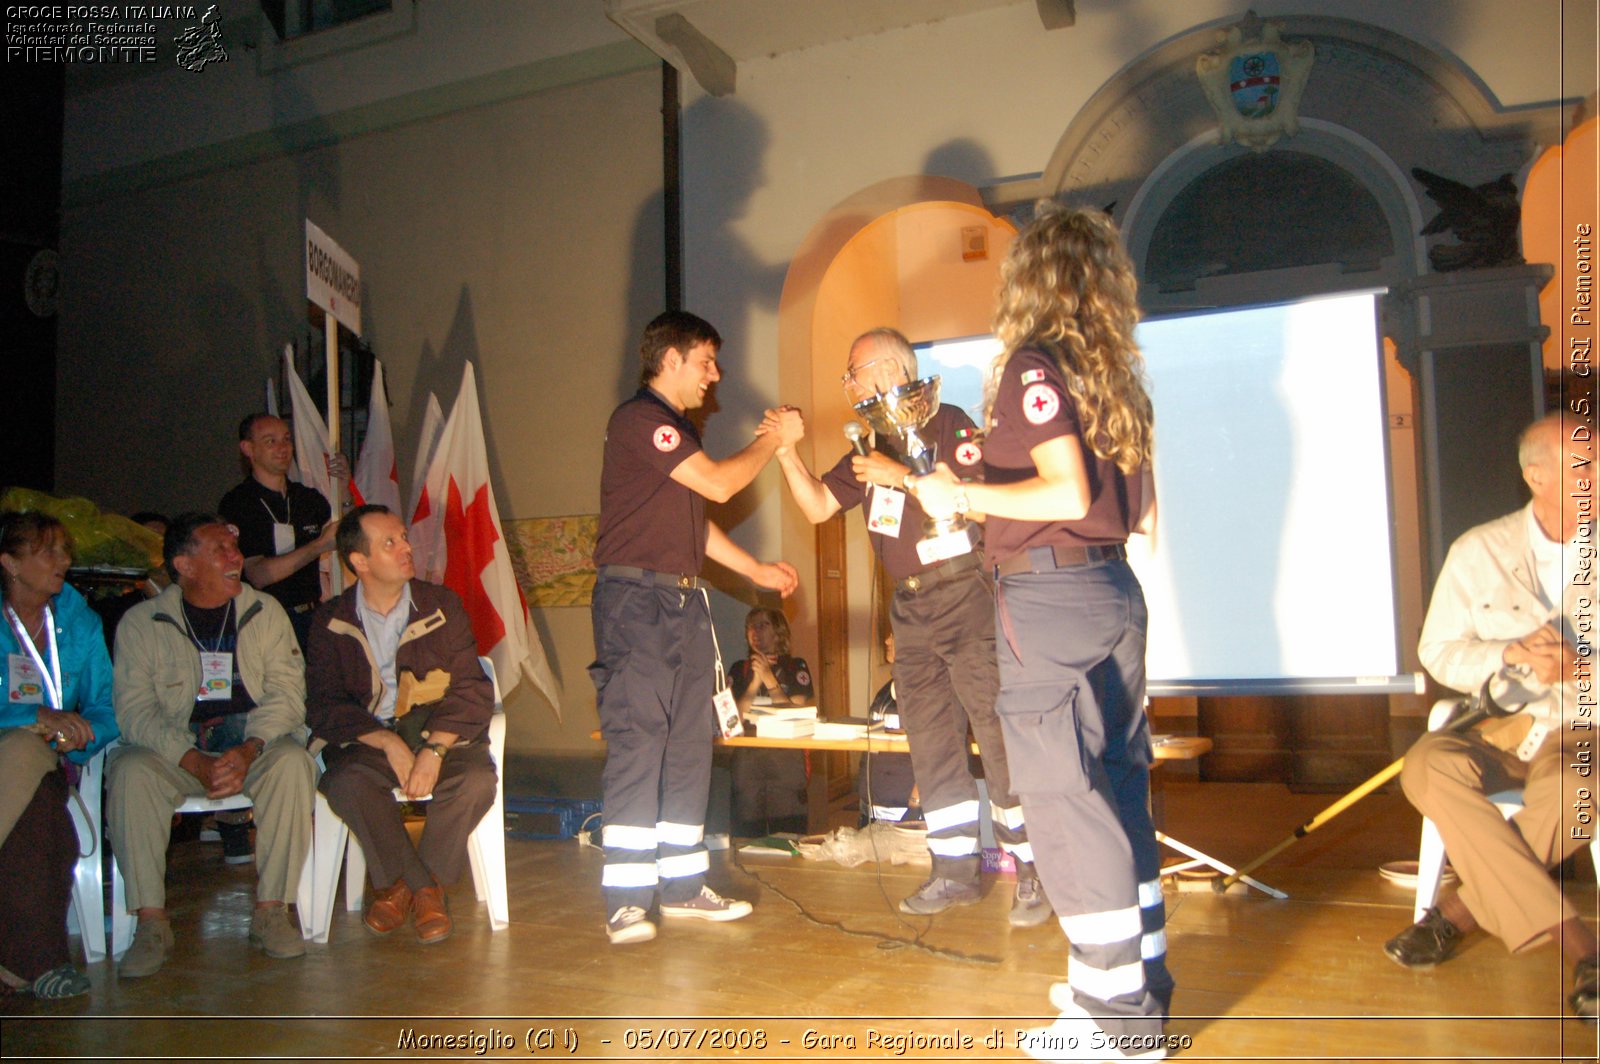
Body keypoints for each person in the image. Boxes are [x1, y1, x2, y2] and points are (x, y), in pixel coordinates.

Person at [911, 203, 1171, 1059]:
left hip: (1049, 604)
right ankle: (1136, 990)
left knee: (1064, 803)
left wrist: (964, 498)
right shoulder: (1113, 378)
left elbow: (1062, 496)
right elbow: (1143, 514)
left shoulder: (1036, 363)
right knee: (1118, 791)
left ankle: (1112, 1023)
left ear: (1033, 280)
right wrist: (985, 471)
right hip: (1111, 593)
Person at [773, 327, 1048, 926]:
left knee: (996, 737)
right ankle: (953, 872)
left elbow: (980, 498)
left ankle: (1032, 870)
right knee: (930, 742)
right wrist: (785, 452)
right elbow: (819, 505)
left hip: (966, 592)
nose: (846, 383)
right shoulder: (867, 446)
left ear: (890, 371)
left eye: (853, 370)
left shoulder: (947, 423)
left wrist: (897, 475)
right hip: (912, 605)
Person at [591, 309, 799, 945]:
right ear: (670, 359)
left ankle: (681, 886)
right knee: (639, 740)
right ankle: (627, 899)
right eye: (706, 360)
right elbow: (716, 482)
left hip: (682, 605)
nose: (716, 374)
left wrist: (754, 569)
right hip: (635, 603)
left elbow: (694, 524)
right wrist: (773, 438)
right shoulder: (639, 421)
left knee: (688, 742)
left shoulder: (675, 431)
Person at [1382, 412, 1597, 1022]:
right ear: (1537, 475)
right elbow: (1438, 652)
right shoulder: (1478, 550)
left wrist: (1582, 670)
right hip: (1502, 724)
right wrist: (1508, 653)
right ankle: (1583, 946)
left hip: (1587, 726)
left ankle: (1456, 917)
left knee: (1572, 790)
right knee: (1428, 764)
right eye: (1587, 465)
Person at [109, 513, 317, 979]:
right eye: (219, 550)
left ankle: (270, 911)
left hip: (251, 745)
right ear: (183, 564)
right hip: (180, 752)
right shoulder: (142, 623)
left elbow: (288, 696)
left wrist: (250, 748)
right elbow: (135, 711)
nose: (235, 557)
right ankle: (151, 922)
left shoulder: (265, 612)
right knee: (130, 771)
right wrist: (192, 760)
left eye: (235, 547)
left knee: (292, 763)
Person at [305, 505, 497, 944]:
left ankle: (402, 892)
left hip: (437, 732)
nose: (406, 547)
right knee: (345, 783)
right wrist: (388, 742)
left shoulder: (440, 604)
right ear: (360, 561)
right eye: (390, 542)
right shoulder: (330, 621)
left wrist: (435, 749)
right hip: (370, 739)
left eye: (404, 537)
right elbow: (324, 704)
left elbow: (471, 688)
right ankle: (426, 892)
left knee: (475, 782)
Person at [0, 512, 119, 999]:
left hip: (51, 759)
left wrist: (78, 733)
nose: (64, 560)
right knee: (51, 827)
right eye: (47, 551)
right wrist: (34, 717)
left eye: (65, 550)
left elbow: (108, 709)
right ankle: (39, 962)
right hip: (18, 754)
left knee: (43, 802)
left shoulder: (78, 620)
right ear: (9, 562)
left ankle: (30, 963)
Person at [218, 413, 344, 652]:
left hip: (311, 616)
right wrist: (318, 545)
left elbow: (347, 533)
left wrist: (344, 488)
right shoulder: (238, 503)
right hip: (265, 620)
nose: (282, 448)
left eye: (286, 439)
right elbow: (259, 574)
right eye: (270, 441)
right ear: (248, 449)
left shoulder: (306, 498)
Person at [728, 607, 812, 837]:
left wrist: (769, 678)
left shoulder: (796, 667)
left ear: (778, 632)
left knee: (788, 833)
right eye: (750, 626)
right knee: (746, 834)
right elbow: (731, 721)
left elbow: (796, 713)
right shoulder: (738, 669)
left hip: (785, 761)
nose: (755, 631)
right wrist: (755, 682)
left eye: (762, 625)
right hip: (747, 763)